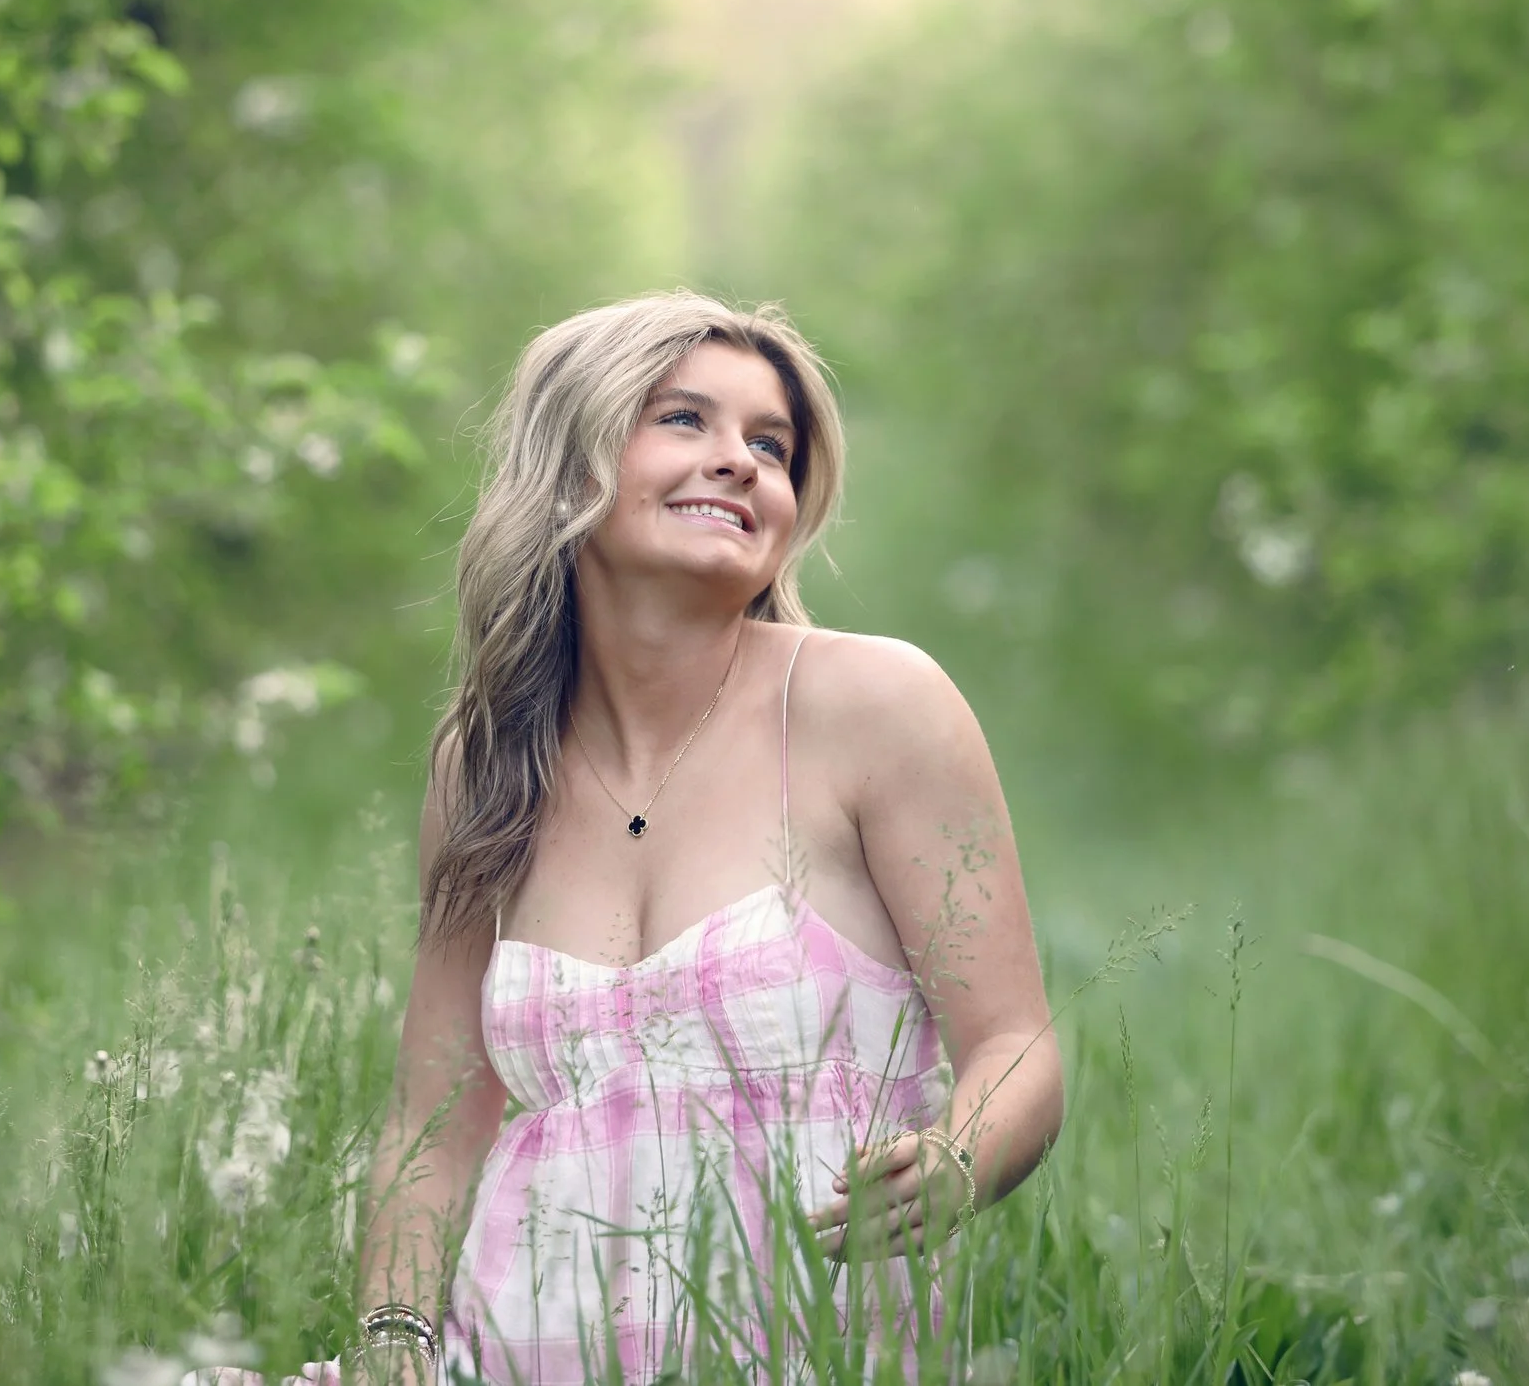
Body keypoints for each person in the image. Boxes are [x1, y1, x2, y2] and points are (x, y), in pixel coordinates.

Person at [231, 292, 1062, 1385]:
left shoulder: (875, 705)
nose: (741, 461)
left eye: (770, 443)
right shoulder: (481, 767)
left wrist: (957, 1157)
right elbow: (433, 1125)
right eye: (684, 420)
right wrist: (395, 1346)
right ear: (571, 464)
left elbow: (1016, 1044)